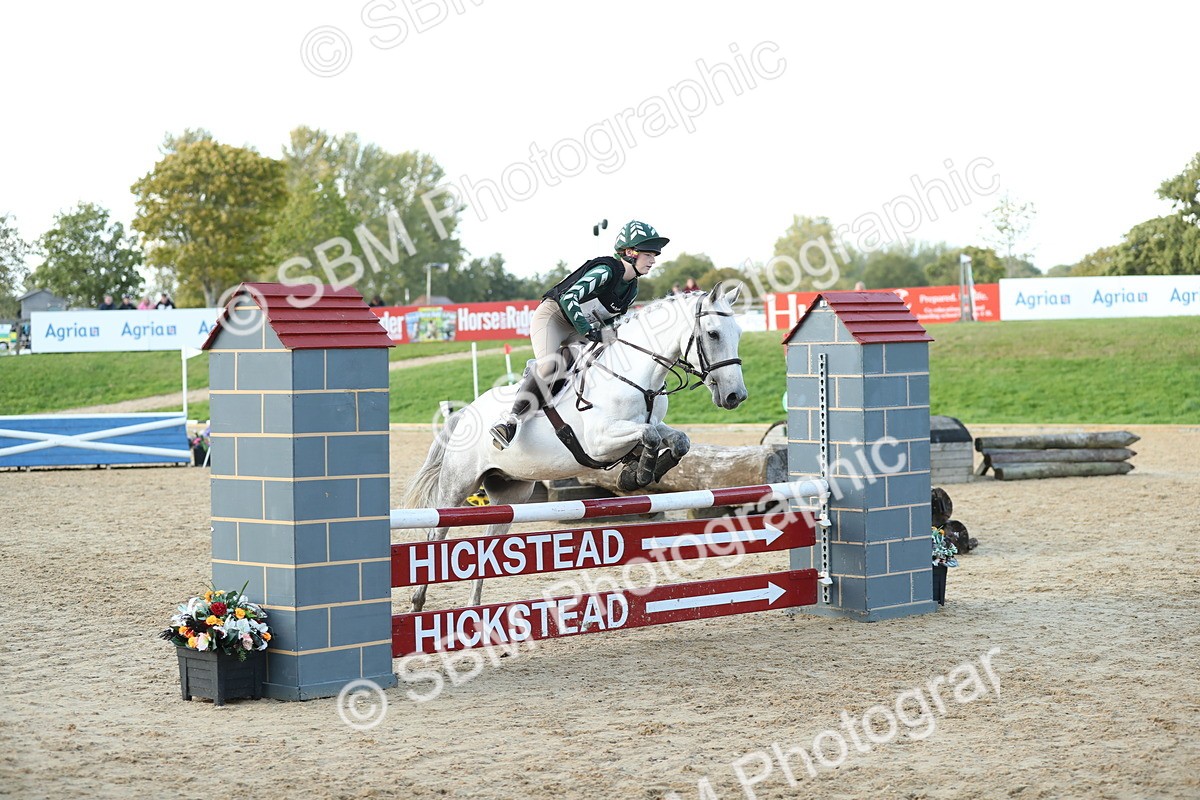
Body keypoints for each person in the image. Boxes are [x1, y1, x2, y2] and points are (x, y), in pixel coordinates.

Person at [489, 219, 669, 450]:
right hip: (553, 318)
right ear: (630, 253)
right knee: (550, 367)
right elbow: (569, 298)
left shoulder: (632, 289)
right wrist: (589, 331)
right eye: (649, 254)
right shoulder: (605, 271)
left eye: (654, 255)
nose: (653, 260)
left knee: (602, 363)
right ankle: (510, 421)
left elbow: (612, 321)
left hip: (580, 328)